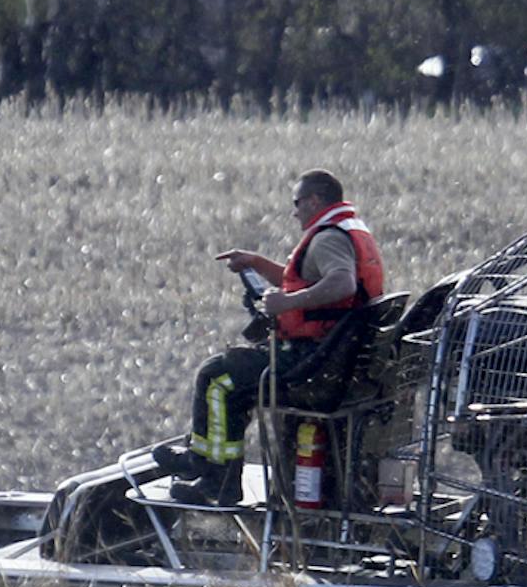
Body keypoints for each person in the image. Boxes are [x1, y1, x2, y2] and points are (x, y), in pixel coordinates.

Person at [156, 169, 385, 505]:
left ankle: (214, 478)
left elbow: (342, 283)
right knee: (233, 376)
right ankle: (204, 461)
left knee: (217, 376)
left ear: (314, 200)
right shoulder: (348, 230)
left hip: (311, 363)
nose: (294, 212)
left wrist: (287, 303)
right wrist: (257, 264)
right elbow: (308, 281)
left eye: (297, 203)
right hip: (330, 355)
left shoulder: (328, 238)